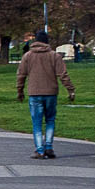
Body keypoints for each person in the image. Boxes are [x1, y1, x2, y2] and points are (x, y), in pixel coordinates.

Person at [16, 28, 75, 159]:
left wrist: (20, 91)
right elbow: (63, 75)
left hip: (34, 92)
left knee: (37, 122)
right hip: (51, 92)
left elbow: (21, 75)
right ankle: (49, 147)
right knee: (50, 120)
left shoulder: (28, 56)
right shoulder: (54, 56)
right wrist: (70, 90)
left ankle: (39, 149)